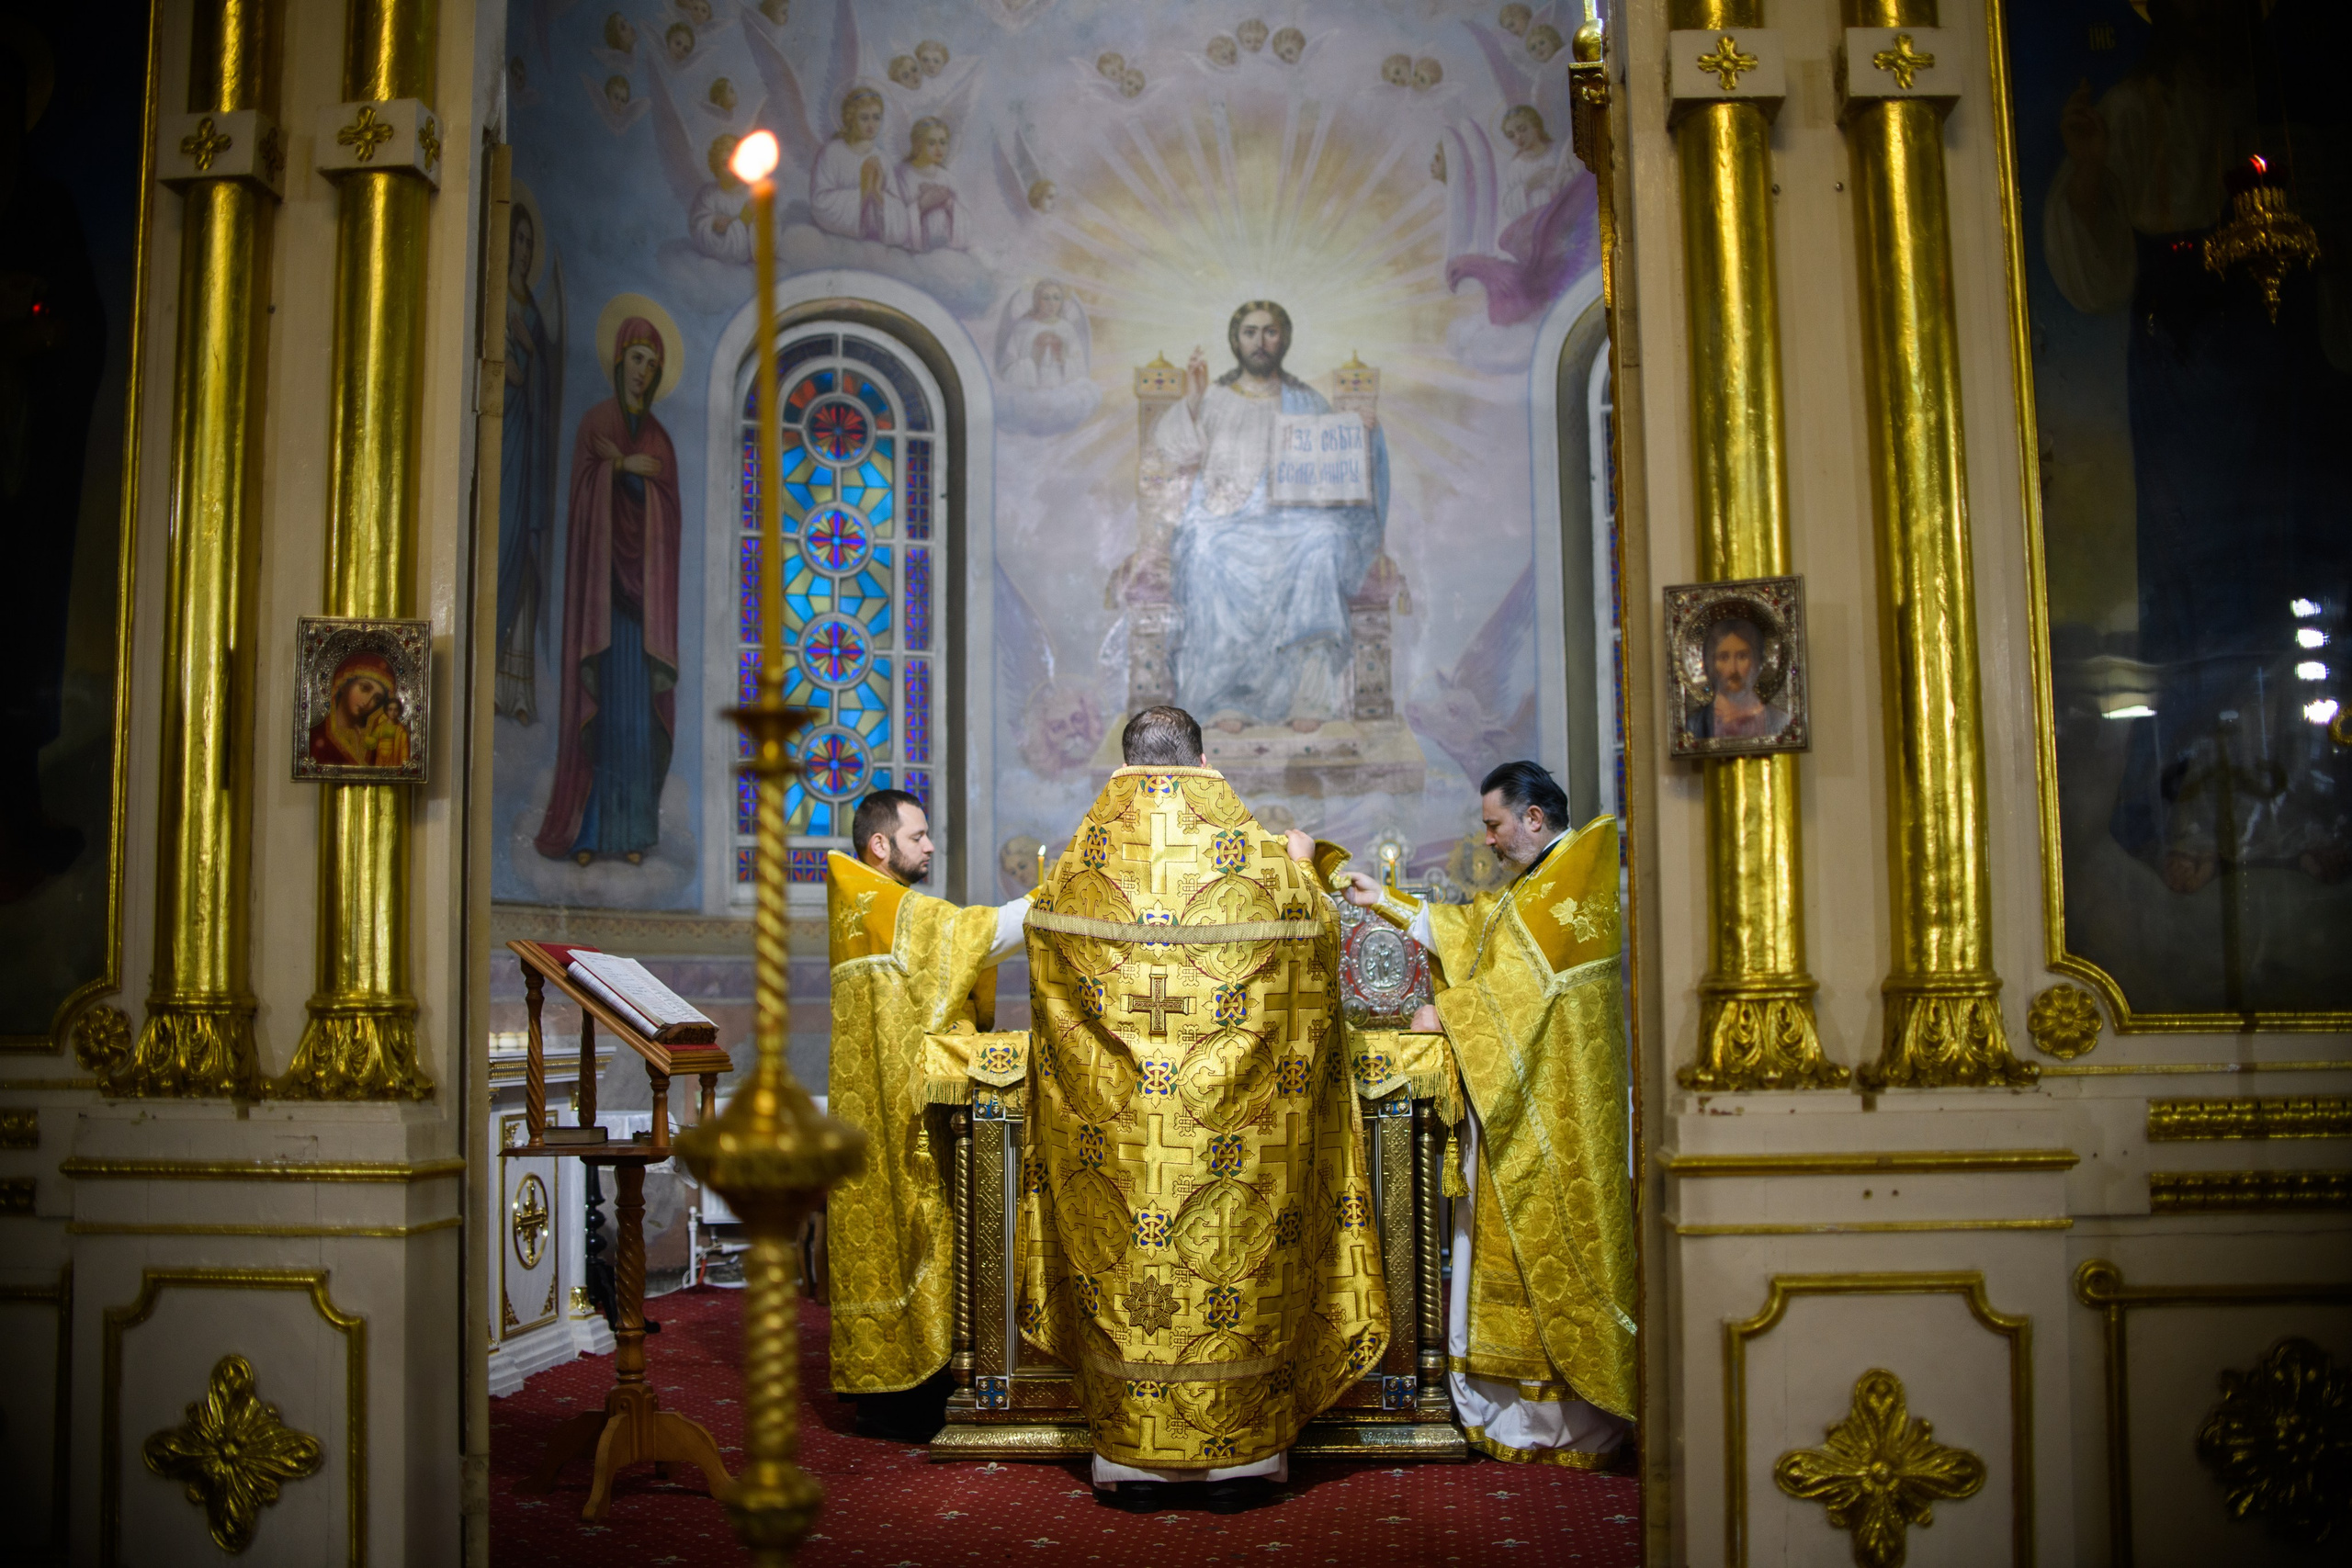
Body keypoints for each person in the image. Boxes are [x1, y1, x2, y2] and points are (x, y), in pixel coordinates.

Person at [1022, 706, 1387, 1513]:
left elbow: (1042, 945)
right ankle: (1237, 1457)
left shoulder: (1082, 862)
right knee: (1234, 1265)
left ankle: (1132, 1454)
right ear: (1205, 759)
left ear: (1126, 761)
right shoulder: (1257, 859)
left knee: (1131, 1268)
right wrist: (1304, 866)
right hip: (1237, 1131)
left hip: (1121, 1138)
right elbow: (1318, 934)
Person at [1336, 761, 1635, 1468]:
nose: (1490, 839)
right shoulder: (1537, 883)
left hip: (1554, 1120)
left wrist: (1448, 1012)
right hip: (1521, 1104)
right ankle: (1518, 1415)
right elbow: (1474, 930)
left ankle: (1558, 1420)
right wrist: (1386, 900)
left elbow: (1522, 991)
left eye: (1496, 825)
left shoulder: (1573, 879)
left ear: (1534, 817)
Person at [825, 788, 1033, 1442]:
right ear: (879, 844)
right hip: (897, 1113)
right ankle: (902, 1394)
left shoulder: (868, 903)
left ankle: (898, 1385)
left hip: (885, 1105)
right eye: (917, 835)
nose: (930, 845)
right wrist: (1052, 898)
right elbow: (976, 936)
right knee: (913, 1225)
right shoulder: (876, 902)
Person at [1151, 301, 1389, 730]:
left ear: (1284, 339)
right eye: (1250, 332)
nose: (1260, 342)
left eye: (1270, 332)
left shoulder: (1306, 401)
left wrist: (1360, 429)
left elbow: (1339, 462)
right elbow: (1173, 448)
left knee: (1323, 540)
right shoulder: (1215, 398)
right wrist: (1193, 399)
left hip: (1292, 523)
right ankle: (1223, 698)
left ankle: (1308, 698)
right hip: (1226, 519)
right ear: (1236, 340)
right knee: (1204, 550)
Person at [533, 316, 681, 865]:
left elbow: (668, 519)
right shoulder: (596, 423)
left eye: (653, 364)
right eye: (637, 359)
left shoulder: (660, 439)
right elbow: (583, 499)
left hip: (643, 610)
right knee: (601, 717)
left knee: (637, 724)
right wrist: (618, 466)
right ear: (619, 360)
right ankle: (589, 831)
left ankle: (633, 834)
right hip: (604, 599)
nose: (644, 371)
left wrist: (639, 475)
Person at [495, 202, 560, 722]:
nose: (521, 250)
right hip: (502, 442)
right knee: (498, 545)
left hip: (526, 447)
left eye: (527, 243)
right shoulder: (494, 300)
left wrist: (530, 355)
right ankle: (491, 675)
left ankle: (514, 689)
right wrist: (510, 367)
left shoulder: (531, 313)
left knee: (522, 556)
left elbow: (543, 383)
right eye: (515, 240)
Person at [810, 86, 910, 246]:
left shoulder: (882, 159)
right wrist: (864, 192)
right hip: (836, 240)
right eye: (864, 118)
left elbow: (899, 214)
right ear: (850, 119)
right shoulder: (832, 152)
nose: (871, 124)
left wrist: (877, 194)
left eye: (876, 118)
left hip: (875, 243)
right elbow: (820, 203)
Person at [1686, 616, 1788, 741]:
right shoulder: (1694, 725)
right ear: (1711, 663)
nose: (1733, 669)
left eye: (1742, 656)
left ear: (1757, 662)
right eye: (1723, 657)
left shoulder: (1780, 721)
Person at [308, 649, 412, 768]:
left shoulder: (378, 735)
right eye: (364, 688)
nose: (367, 702)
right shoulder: (316, 735)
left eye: (377, 698)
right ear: (343, 684)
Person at [894, 117, 963, 252]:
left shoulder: (948, 178)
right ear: (918, 144)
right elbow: (894, 220)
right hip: (911, 252)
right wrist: (921, 205)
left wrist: (950, 205)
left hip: (945, 251)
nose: (939, 148)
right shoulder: (901, 174)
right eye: (931, 143)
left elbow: (966, 222)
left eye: (943, 142)